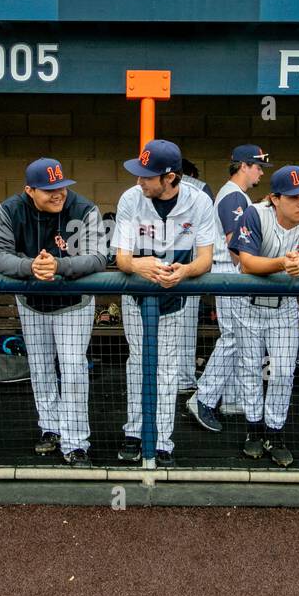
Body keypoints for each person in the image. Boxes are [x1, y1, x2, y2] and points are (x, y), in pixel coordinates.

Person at [0, 158, 107, 466]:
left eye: (62, 187)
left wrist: (59, 265)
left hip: (73, 302)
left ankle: (76, 441)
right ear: (29, 190)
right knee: (39, 368)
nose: (58, 195)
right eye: (49, 190)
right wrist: (30, 266)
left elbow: (98, 257)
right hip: (31, 301)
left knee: (73, 369)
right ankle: (50, 428)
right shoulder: (10, 209)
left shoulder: (83, 209)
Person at [111, 139, 217, 468]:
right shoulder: (131, 198)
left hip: (174, 296)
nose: (139, 180)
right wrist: (139, 266)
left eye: (147, 176)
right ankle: (134, 433)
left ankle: (161, 440)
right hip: (137, 295)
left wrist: (185, 271)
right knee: (139, 363)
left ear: (169, 177)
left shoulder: (198, 201)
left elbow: (206, 260)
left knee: (167, 370)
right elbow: (122, 258)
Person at [233, 164, 299, 467]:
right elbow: (248, 262)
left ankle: (274, 431)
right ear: (275, 198)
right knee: (250, 368)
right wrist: (283, 263)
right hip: (248, 305)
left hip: (284, 307)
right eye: (293, 197)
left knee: (281, 371)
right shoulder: (256, 213)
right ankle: (254, 429)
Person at [187, 144, 270, 432]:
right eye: (257, 165)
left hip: (232, 273)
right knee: (234, 337)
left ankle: (231, 398)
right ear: (243, 166)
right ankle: (204, 398)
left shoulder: (239, 196)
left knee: (238, 337)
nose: (261, 171)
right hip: (229, 272)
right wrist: (255, 268)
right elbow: (237, 245)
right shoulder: (232, 195)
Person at [176, 157, 214, 392]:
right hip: (190, 269)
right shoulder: (201, 189)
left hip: (156, 268)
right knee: (186, 329)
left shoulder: (146, 189)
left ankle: (169, 379)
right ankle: (183, 380)